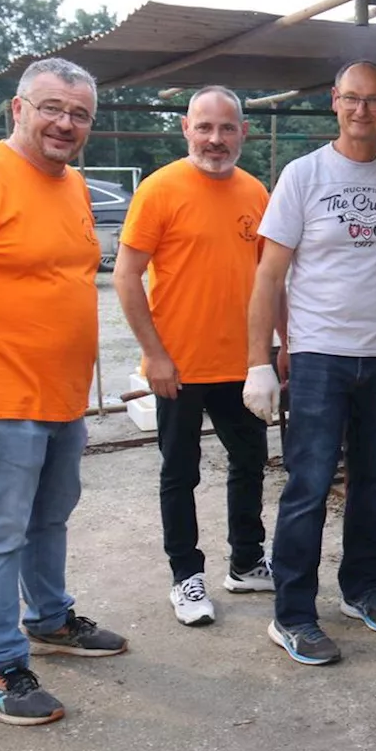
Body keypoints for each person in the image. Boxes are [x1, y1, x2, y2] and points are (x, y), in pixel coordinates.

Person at [0, 57, 128, 726]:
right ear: (19, 109)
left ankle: (49, 619)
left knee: (49, 518)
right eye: (52, 108)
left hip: (61, 396)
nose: (65, 123)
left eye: (79, 114)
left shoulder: (72, 187)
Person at [243, 60, 376, 666]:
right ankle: (292, 614)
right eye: (350, 99)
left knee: (371, 482)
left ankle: (361, 588)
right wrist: (259, 362)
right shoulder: (304, 174)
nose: (361, 110)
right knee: (309, 486)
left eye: (373, 100)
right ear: (334, 104)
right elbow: (269, 273)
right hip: (319, 356)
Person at [113, 85, 273, 628]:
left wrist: (279, 345)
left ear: (243, 133)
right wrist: (153, 355)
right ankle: (186, 576)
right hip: (177, 368)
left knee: (250, 463)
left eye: (227, 128)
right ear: (186, 128)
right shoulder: (160, 190)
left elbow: (271, 278)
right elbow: (126, 275)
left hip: (242, 365)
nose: (215, 139)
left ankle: (247, 561)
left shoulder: (256, 192)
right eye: (205, 127)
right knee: (180, 474)